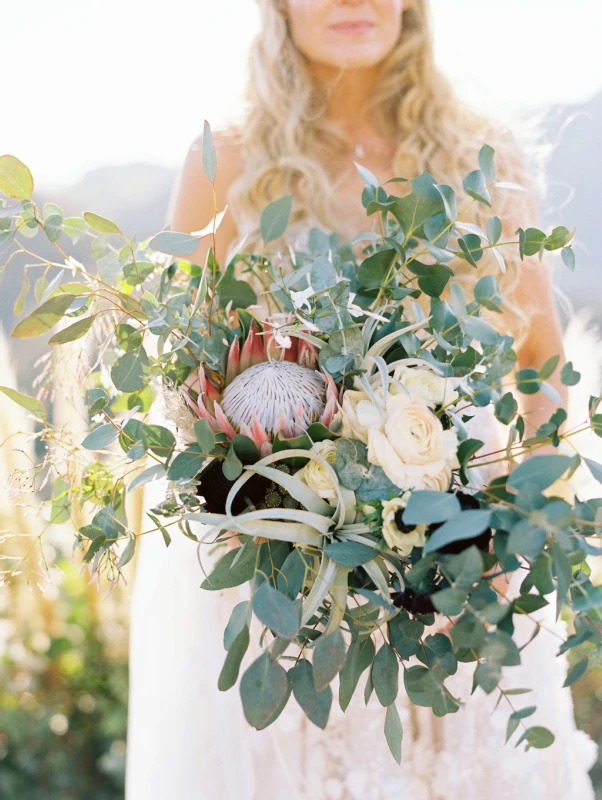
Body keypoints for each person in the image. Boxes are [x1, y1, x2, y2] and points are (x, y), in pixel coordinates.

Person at [126, 1, 598, 797]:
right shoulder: (226, 162)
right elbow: (187, 388)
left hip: (472, 570)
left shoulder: (481, 154)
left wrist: (508, 533)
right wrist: (298, 526)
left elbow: (541, 365)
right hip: (292, 603)